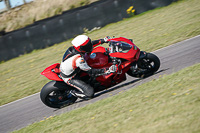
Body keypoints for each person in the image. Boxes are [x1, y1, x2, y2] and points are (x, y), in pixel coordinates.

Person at [60, 35, 117, 100]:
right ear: (81, 48)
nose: (90, 46)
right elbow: (91, 71)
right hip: (71, 78)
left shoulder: (75, 48)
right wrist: (107, 70)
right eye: (87, 45)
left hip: (75, 69)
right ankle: (72, 92)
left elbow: (90, 45)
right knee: (90, 93)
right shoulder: (78, 59)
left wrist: (103, 40)